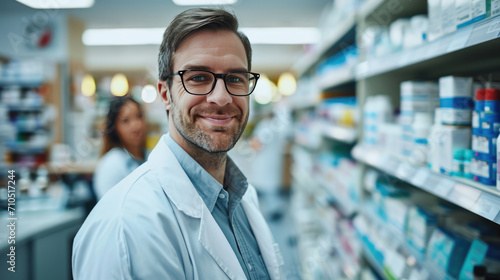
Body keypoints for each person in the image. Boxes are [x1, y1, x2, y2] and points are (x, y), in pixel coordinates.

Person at [72, 7, 284, 280]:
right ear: (166, 94)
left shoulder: (242, 197)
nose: (221, 97)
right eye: (198, 77)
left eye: (234, 78)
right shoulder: (125, 227)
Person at [93, 96, 146, 200]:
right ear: (114, 128)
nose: (136, 126)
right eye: (125, 121)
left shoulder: (149, 156)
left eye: (139, 116)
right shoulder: (112, 164)